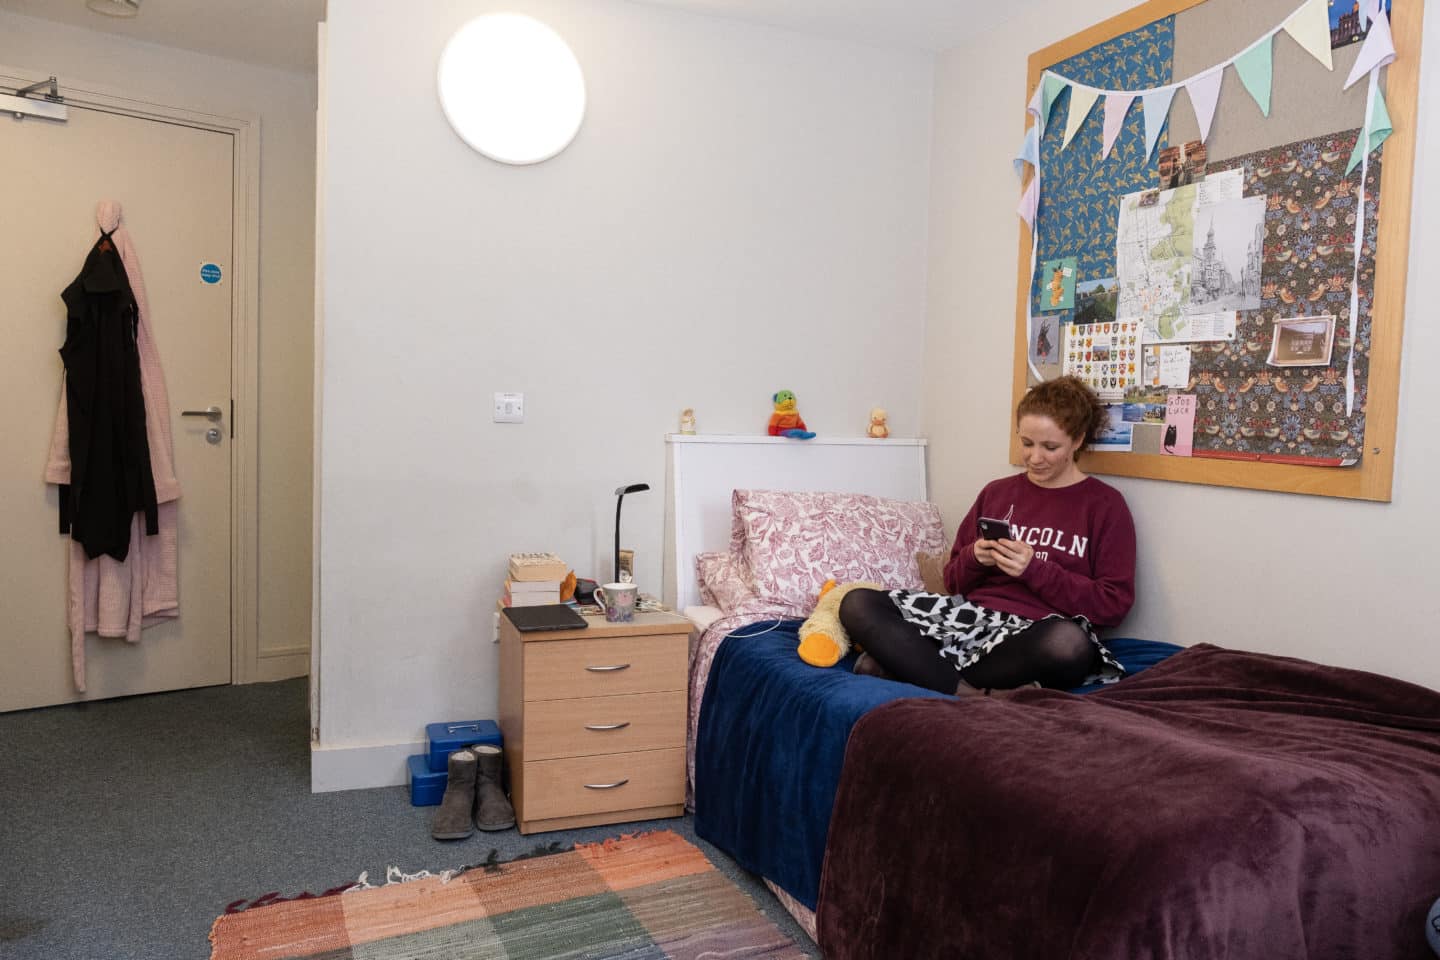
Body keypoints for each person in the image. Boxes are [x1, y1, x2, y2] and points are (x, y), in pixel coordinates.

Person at [838, 376, 1135, 695]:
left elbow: (1112, 606)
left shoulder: (1106, 506)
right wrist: (974, 558)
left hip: (1031, 634)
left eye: (1050, 447)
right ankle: (970, 695)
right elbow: (953, 582)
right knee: (856, 602)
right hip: (967, 621)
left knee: (1069, 644)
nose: (1034, 457)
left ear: (1076, 441)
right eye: (1027, 443)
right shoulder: (997, 493)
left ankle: (911, 668)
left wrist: (1034, 571)